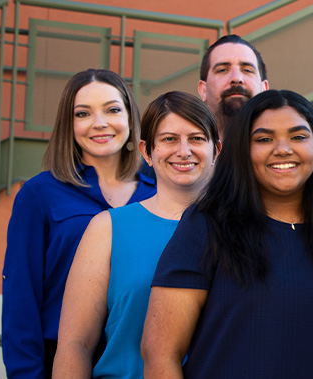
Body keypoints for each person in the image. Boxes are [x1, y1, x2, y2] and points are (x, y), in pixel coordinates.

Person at [140, 90, 313, 377]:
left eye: (298, 137)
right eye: (264, 139)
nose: (283, 149)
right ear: (242, 149)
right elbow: (161, 355)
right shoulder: (206, 226)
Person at [1, 69, 156, 379]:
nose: (99, 123)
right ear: (69, 125)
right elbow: (21, 297)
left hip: (140, 362)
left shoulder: (159, 192)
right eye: (83, 113)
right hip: (58, 360)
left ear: (130, 117)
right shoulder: (39, 194)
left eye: (112, 109)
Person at [51, 91, 219, 379]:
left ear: (216, 150)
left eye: (196, 138)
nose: (183, 150)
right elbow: (74, 345)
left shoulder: (241, 231)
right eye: (169, 139)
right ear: (146, 151)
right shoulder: (108, 229)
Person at [198, 34, 269, 133]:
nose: (236, 78)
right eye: (222, 70)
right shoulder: (185, 148)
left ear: (264, 89)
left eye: (247, 70)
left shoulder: (284, 148)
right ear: (203, 90)